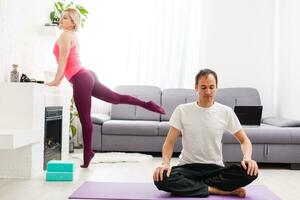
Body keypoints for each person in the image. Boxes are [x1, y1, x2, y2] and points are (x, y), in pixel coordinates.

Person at [46, 8, 165, 168]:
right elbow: (68, 62)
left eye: (66, 18)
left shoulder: (65, 35)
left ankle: (87, 153)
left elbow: (63, 62)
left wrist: (55, 81)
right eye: (62, 17)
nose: (62, 19)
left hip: (81, 78)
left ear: (73, 23)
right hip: (87, 75)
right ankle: (147, 104)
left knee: (85, 118)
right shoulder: (72, 36)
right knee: (115, 98)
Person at [153, 69, 258, 198]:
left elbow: (244, 140)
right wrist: (165, 164)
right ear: (196, 88)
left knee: (251, 172)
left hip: (215, 168)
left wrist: (247, 158)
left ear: (216, 88)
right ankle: (215, 189)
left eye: (211, 87)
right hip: (188, 167)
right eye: (203, 87)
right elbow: (169, 142)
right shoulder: (182, 110)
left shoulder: (226, 112)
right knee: (160, 178)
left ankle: (191, 186)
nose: (208, 92)